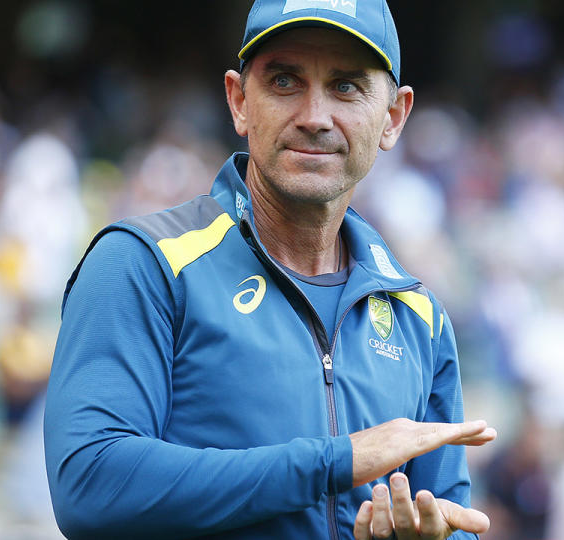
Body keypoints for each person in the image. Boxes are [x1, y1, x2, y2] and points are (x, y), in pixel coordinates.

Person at [44, 1, 497, 538]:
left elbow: (453, 520)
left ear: (393, 117)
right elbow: (91, 484)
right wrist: (335, 462)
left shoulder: (418, 317)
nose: (314, 115)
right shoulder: (146, 262)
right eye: (285, 81)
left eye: (346, 87)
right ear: (239, 101)